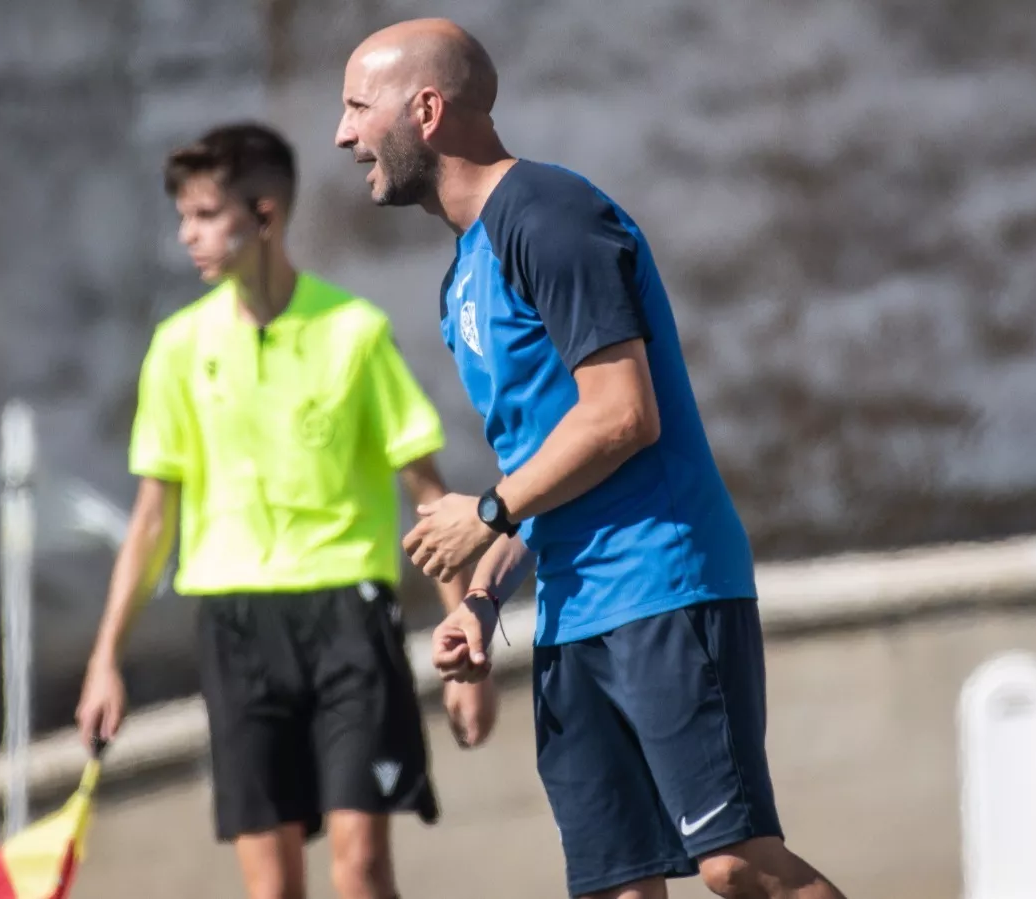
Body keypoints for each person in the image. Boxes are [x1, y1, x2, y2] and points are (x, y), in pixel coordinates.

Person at [333, 20, 849, 899]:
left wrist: (485, 510)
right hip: (572, 617)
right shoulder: (463, 273)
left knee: (736, 863)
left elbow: (623, 415)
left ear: (425, 109)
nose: (343, 135)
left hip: (664, 583)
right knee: (618, 887)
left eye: (355, 106)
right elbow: (547, 469)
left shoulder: (549, 214)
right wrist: (486, 596)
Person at [75, 121, 497, 899]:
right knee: (273, 888)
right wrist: (107, 659)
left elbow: (432, 498)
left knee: (362, 870)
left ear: (264, 214)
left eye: (205, 215)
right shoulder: (175, 347)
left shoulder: (355, 332)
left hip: (349, 621)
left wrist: (468, 631)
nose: (187, 236)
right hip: (236, 631)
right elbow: (150, 520)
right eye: (184, 217)